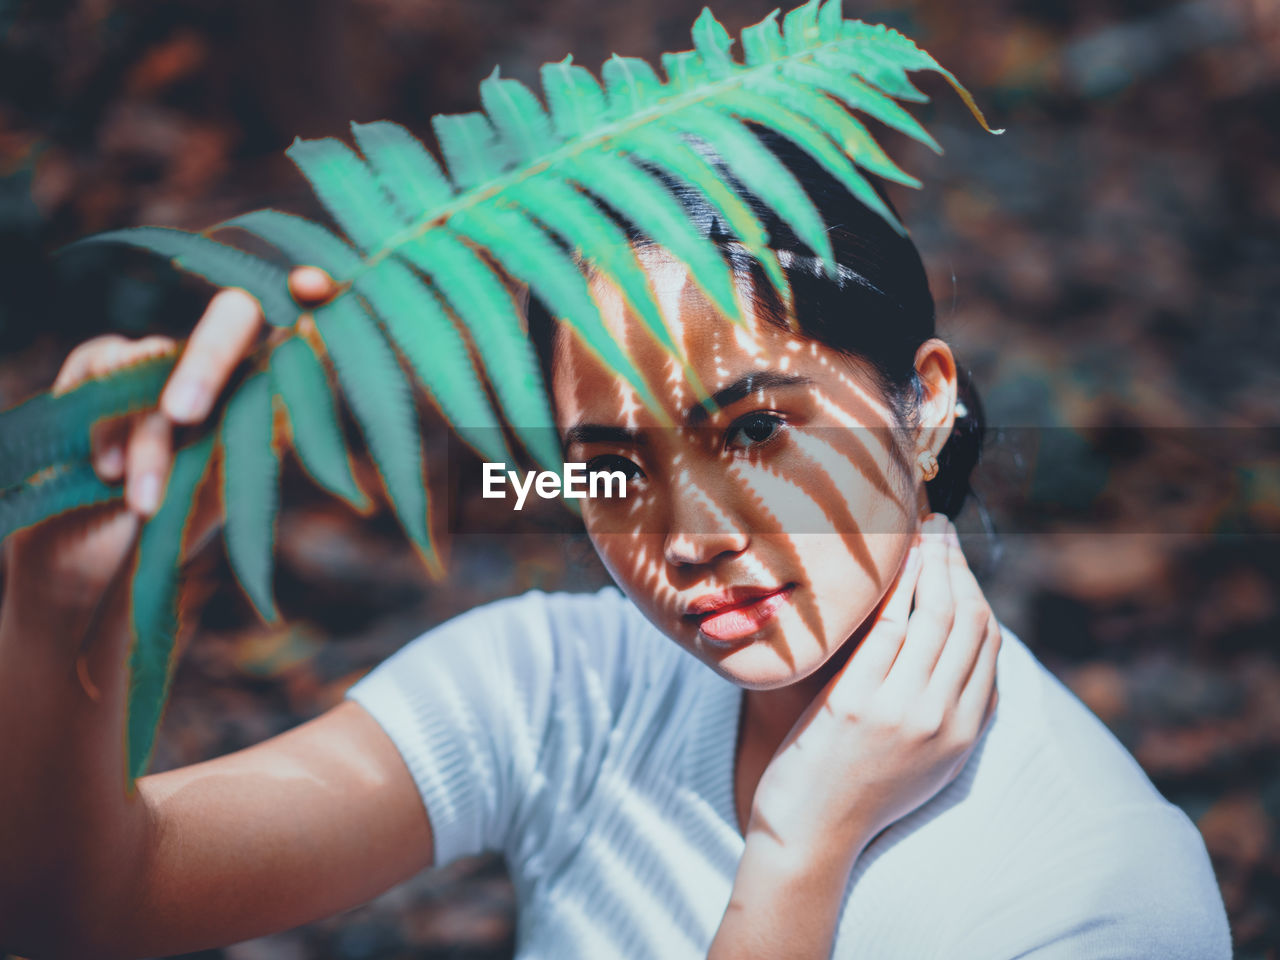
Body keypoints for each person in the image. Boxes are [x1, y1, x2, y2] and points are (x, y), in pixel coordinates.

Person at [0, 133, 1230, 960]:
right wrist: (63, 616)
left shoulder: (1094, 893)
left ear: (924, 407)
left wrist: (801, 852)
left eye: (753, 427)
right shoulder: (568, 686)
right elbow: (84, 911)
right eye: (615, 465)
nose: (688, 538)